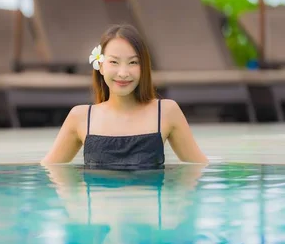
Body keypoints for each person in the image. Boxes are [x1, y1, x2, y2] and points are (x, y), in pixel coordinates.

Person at [41, 24, 208, 166]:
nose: (123, 73)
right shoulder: (81, 117)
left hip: (149, 203)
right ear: (100, 65)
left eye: (133, 62)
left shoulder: (166, 112)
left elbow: (200, 168)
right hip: (98, 203)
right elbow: (49, 171)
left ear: (144, 67)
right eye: (114, 62)